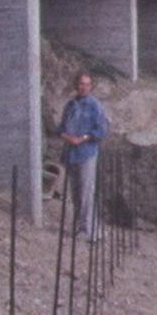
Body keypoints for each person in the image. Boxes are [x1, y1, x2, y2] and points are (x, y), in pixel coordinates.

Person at [58, 71, 108, 241]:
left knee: (87, 191)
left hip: (87, 152)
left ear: (91, 86)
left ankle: (90, 230)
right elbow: (61, 129)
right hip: (71, 153)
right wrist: (69, 138)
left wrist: (83, 138)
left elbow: (101, 130)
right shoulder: (70, 105)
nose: (83, 87)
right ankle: (81, 227)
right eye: (81, 84)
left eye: (87, 84)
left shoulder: (95, 106)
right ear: (76, 85)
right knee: (76, 192)